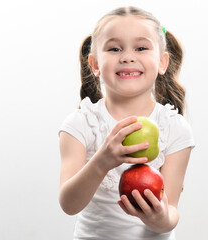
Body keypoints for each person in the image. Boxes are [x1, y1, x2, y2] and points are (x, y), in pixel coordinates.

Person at [58, 6, 195, 240]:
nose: (127, 56)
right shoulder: (81, 124)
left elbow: (171, 213)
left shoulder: (175, 128)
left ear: (162, 63)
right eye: (114, 48)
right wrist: (103, 161)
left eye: (141, 47)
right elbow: (69, 204)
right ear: (95, 64)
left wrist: (159, 217)